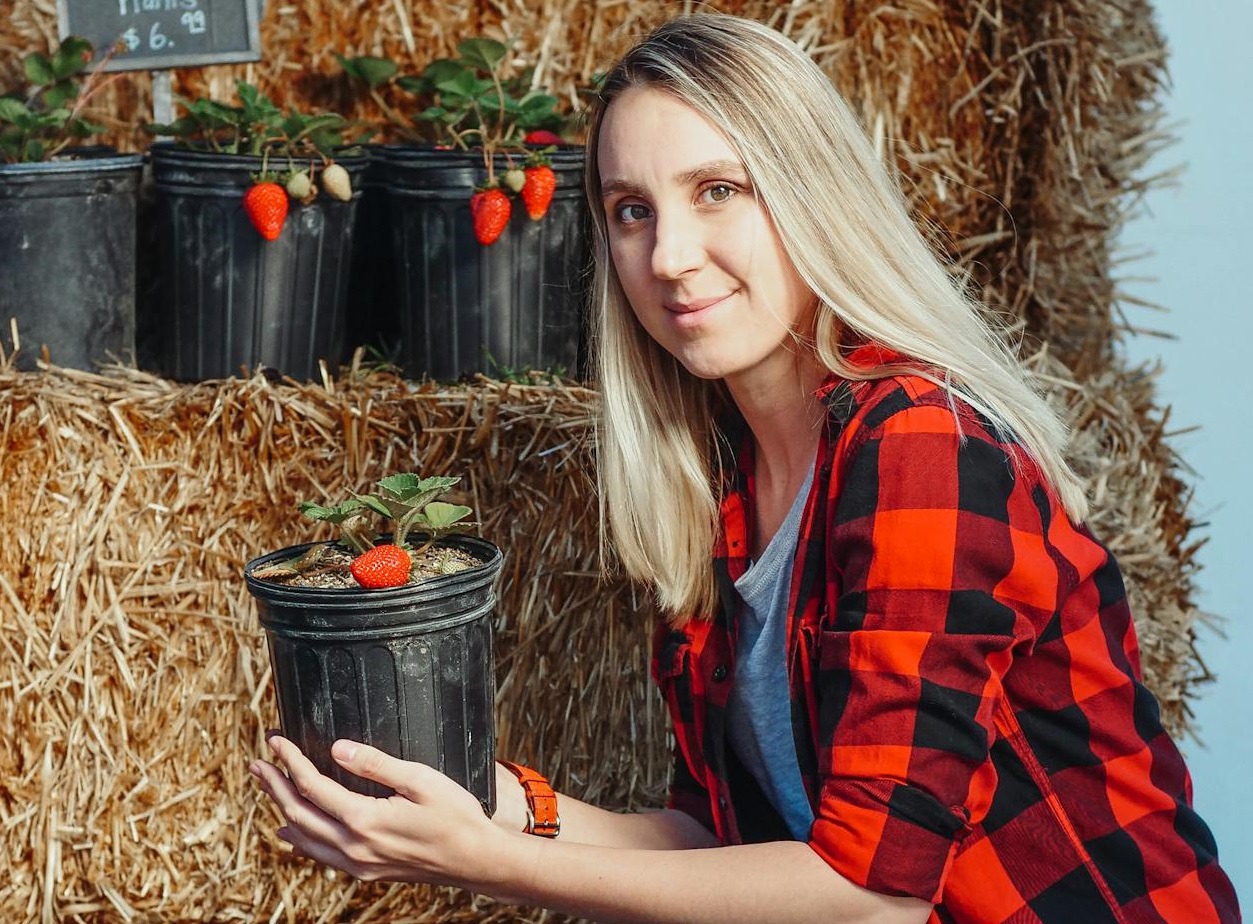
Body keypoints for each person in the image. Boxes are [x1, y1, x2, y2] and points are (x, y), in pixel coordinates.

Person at [250, 13, 1240, 922]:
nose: (669, 255)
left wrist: (487, 863)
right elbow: (716, 841)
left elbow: (869, 891)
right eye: (629, 211)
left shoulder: (919, 444)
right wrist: (489, 802)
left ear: (812, 196)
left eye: (716, 191)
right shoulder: (715, 484)